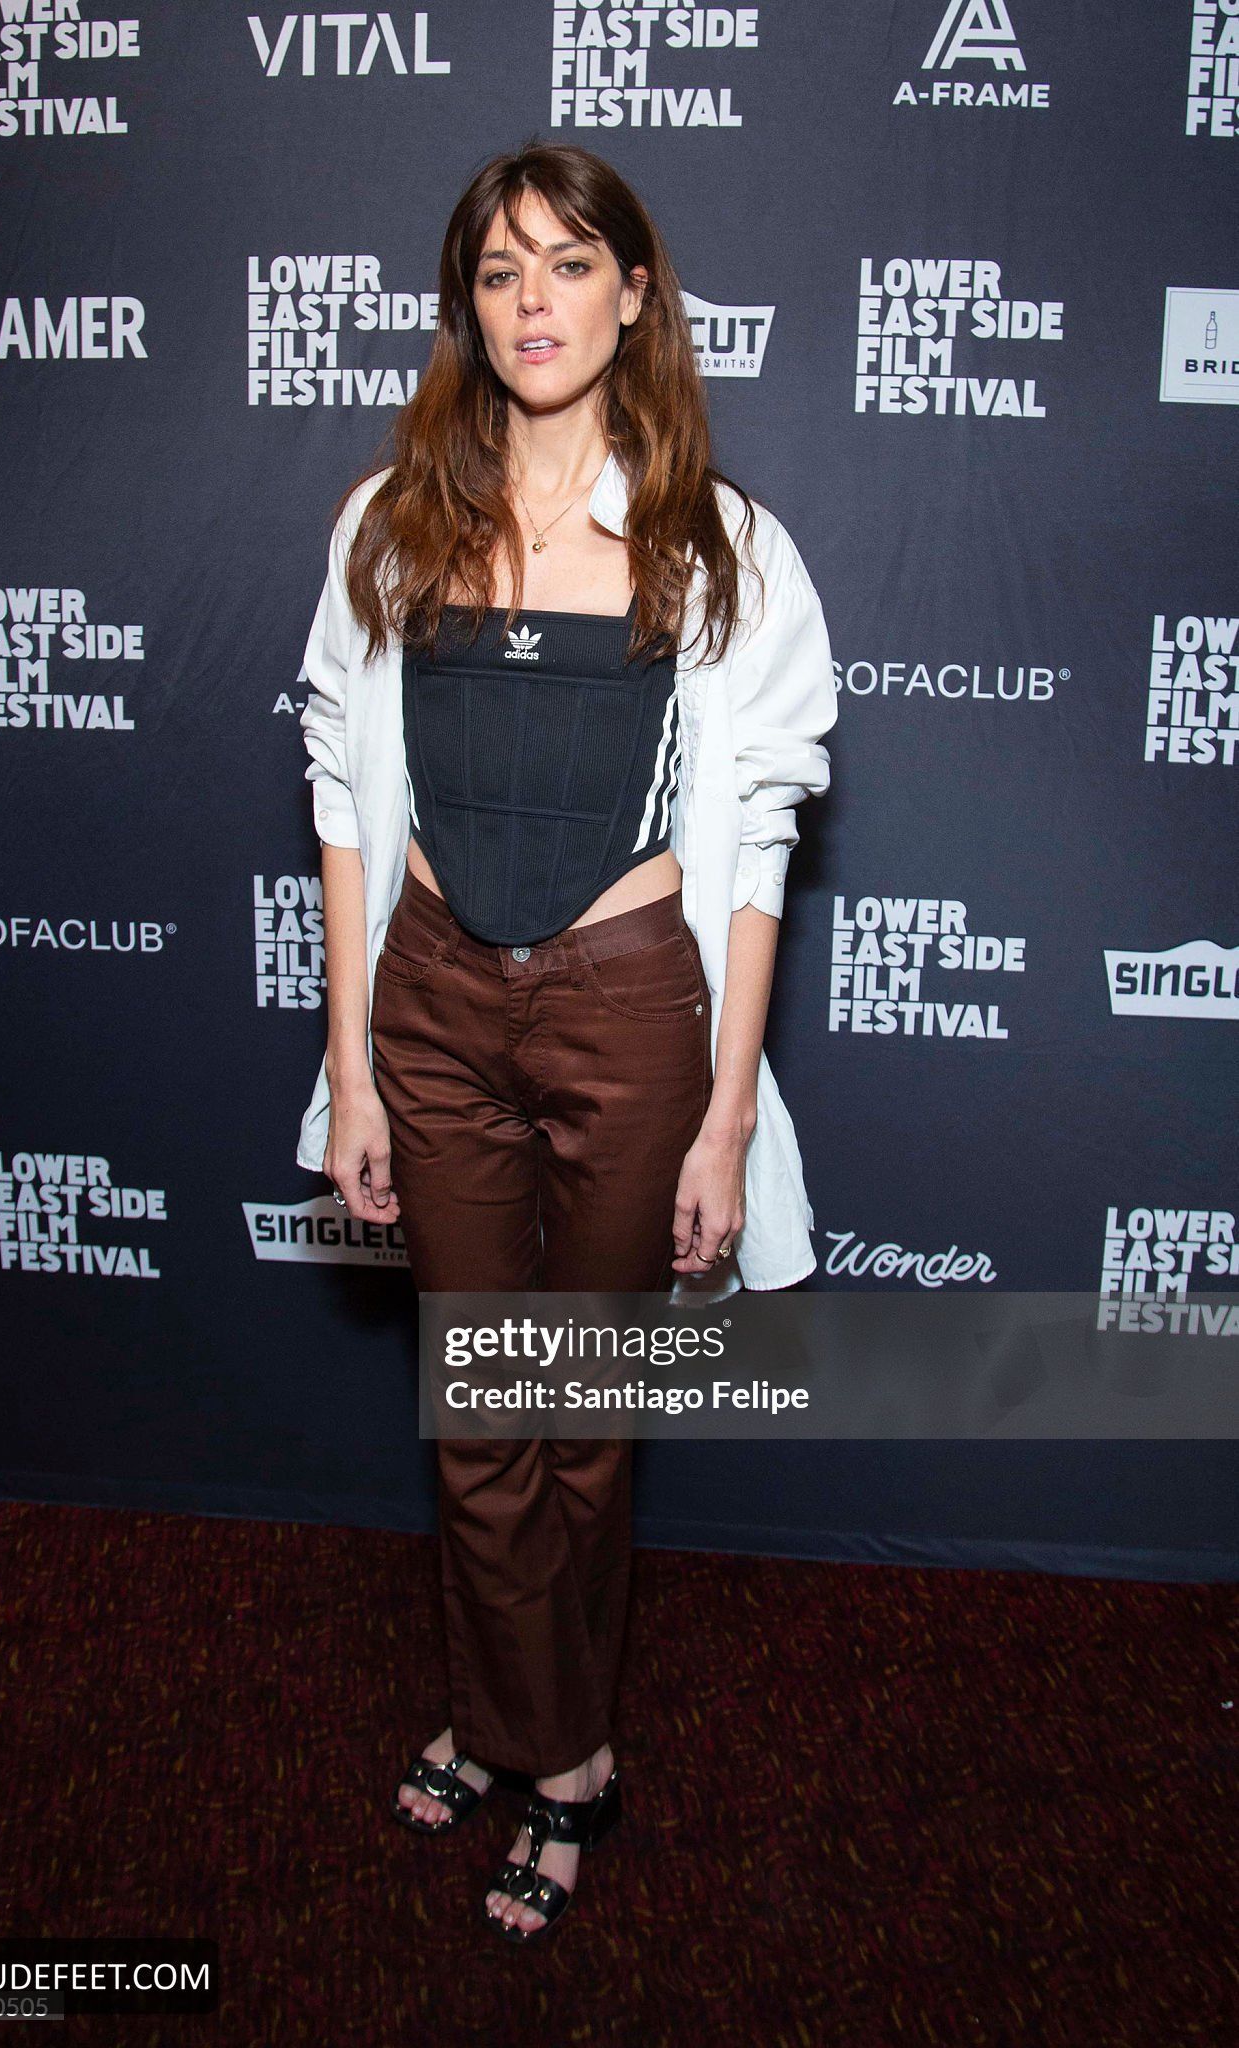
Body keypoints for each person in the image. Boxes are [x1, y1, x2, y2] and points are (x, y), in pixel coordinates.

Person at [292, 139, 837, 1942]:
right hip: (434, 1004)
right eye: (499, 269)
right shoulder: (389, 523)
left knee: (580, 1420)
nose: (534, 300)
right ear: (468, 307)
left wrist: (724, 1118)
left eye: (570, 262)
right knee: (478, 1412)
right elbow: (343, 807)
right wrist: (354, 1065)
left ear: (634, 293)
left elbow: (760, 844)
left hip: (627, 1009)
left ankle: (553, 1748)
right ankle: (521, 1726)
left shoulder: (720, 544)